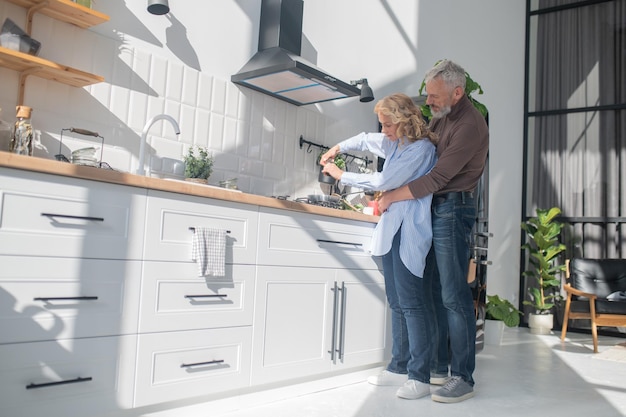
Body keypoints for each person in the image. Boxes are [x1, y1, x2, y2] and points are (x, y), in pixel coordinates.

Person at [378, 60, 489, 403]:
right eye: (428, 95)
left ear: (458, 92)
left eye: (434, 95)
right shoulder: (442, 117)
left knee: (453, 294)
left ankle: (463, 378)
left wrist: (391, 194)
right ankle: (438, 366)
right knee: (430, 290)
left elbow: (438, 178)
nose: (428, 102)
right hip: (433, 207)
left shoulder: (469, 124)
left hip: (453, 207)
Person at [320, 93, 438, 400]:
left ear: (402, 121)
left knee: (412, 304)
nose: (383, 130)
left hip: (408, 230)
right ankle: (398, 366)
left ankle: (420, 376)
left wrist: (340, 174)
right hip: (390, 230)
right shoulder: (394, 142)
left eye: (388, 125)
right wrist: (338, 147)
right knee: (397, 303)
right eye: (383, 125)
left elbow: (383, 179)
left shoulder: (422, 150)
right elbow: (365, 140)